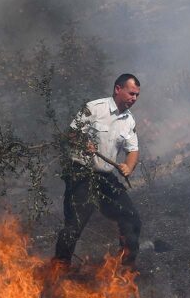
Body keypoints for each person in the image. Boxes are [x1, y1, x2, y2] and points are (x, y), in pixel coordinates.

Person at [53, 74, 142, 269]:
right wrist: (84, 143)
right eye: (131, 93)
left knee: (131, 217)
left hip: (105, 178)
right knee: (74, 226)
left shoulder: (129, 120)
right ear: (118, 89)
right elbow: (70, 135)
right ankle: (58, 270)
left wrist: (128, 165)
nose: (134, 99)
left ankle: (126, 269)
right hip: (81, 175)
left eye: (137, 95)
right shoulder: (94, 108)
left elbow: (133, 150)